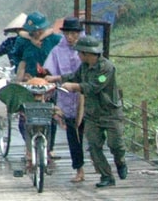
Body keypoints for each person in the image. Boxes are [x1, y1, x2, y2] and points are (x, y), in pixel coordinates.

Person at [46, 35, 127, 188]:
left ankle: (120, 161)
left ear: (87, 53)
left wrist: (75, 87)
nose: (77, 55)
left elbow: (94, 86)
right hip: (93, 114)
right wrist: (56, 79)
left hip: (110, 113)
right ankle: (106, 176)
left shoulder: (107, 68)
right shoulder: (84, 67)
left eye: (80, 53)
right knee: (94, 146)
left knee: (115, 145)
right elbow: (74, 77)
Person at [12, 11, 61, 158]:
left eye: (39, 30)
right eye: (33, 31)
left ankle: (49, 148)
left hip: (49, 83)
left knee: (50, 116)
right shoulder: (22, 42)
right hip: (28, 83)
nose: (37, 33)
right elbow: (18, 59)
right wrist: (21, 78)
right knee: (24, 117)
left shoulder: (54, 39)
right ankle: (29, 147)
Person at [43, 17, 86, 182]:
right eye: (67, 33)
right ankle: (79, 169)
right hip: (67, 98)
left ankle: (99, 163)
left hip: (86, 96)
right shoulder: (57, 50)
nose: (70, 37)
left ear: (79, 34)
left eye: (74, 33)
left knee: (92, 135)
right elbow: (50, 71)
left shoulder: (85, 48)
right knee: (73, 136)